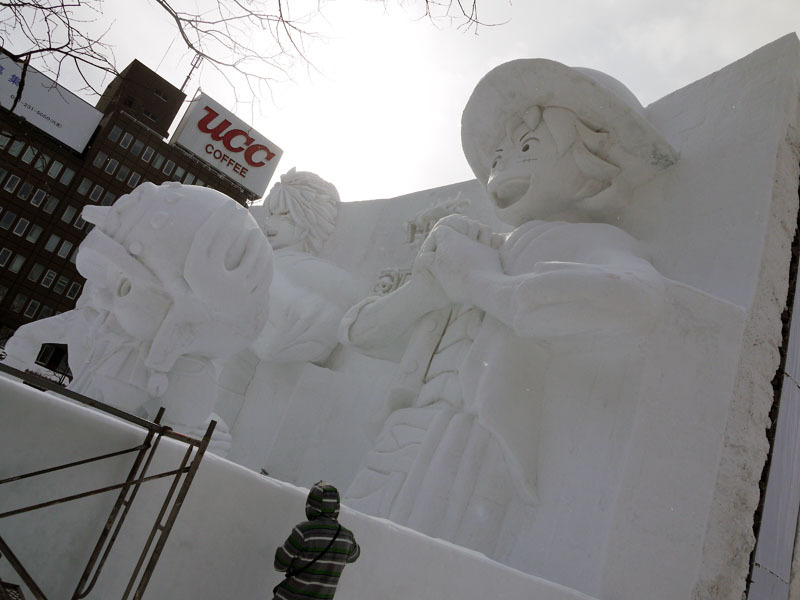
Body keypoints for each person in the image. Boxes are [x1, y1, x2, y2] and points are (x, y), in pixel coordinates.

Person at [340, 59, 677, 559]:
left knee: (405, 568)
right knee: (338, 556)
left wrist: (479, 282)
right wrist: (428, 290)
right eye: (499, 153)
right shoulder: (472, 246)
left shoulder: (590, 242)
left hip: (469, 445)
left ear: (591, 164)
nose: (503, 167)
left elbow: (637, 301)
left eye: (528, 149)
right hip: (401, 431)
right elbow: (360, 334)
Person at [273, 482, 360, 600]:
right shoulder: (347, 538)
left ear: (311, 504)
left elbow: (279, 564)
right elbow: (354, 556)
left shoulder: (304, 531)